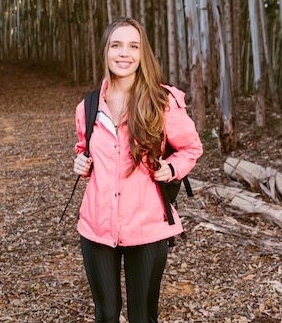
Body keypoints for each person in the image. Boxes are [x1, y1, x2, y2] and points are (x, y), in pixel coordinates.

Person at [72, 18, 203, 323]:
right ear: (105, 51)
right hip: (96, 226)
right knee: (106, 314)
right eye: (116, 45)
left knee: (142, 316)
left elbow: (191, 148)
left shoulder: (162, 101)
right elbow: (84, 149)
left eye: (133, 46)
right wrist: (81, 164)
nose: (124, 53)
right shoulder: (89, 105)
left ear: (143, 54)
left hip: (147, 225)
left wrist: (170, 167)